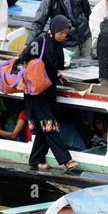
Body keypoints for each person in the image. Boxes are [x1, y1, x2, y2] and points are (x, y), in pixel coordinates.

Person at [19, 15, 79, 172]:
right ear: (54, 30)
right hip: (36, 93)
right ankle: (66, 160)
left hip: (49, 91)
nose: (65, 36)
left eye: (66, 33)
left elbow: (52, 66)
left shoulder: (57, 44)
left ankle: (35, 161)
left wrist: (58, 75)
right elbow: (23, 58)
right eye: (62, 33)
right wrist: (23, 77)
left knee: (43, 128)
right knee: (49, 124)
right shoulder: (40, 42)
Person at [27, 0, 92, 58]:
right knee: (73, 70)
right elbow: (38, 23)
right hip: (68, 42)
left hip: (86, 37)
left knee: (89, 65)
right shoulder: (49, 0)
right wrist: (28, 44)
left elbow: (87, 12)